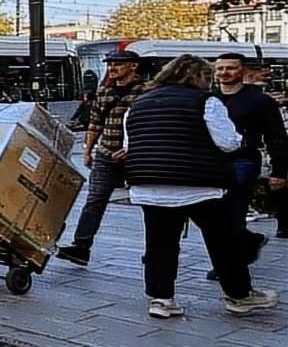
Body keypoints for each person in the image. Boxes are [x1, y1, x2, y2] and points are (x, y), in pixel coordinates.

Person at [122, 55, 277, 318]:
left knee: (159, 244)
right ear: (199, 77)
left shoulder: (137, 104)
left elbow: (129, 145)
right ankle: (239, 295)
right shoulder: (206, 102)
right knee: (223, 240)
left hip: (149, 185)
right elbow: (227, 142)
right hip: (199, 184)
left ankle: (161, 300)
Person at [56, 53, 144, 267]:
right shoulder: (104, 91)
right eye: (110, 64)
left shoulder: (146, 91)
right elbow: (95, 123)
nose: (112, 68)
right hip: (106, 154)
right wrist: (88, 150)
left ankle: (154, 250)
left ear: (133, 66)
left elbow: (150, 125)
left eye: (118, 64)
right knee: (94, 200)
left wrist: (133, 149)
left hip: (137, 156)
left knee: (148, 202)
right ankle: (81, 246)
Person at [212, 52, 288, 269]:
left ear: (242, 70)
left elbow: (276, 137)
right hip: (212, 162)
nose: (224, 73)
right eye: (220, 68)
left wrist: (279, 171)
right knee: (216, 214)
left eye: (230, 68)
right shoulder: (208, 99)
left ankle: (228, 263)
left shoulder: (260, 101)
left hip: (243, 161)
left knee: (234, 210)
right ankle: (247, 242)